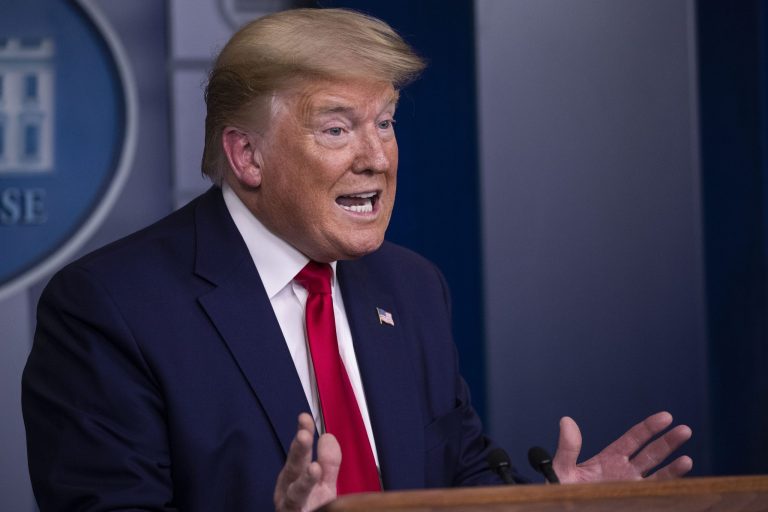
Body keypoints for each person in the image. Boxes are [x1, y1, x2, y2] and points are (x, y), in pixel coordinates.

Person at [22, 8, 693, 512]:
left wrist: (548, 505)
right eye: (337, 128)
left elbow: (458, 479)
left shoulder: (411, 286)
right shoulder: (110, 308)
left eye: (386, 122)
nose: (376, 156)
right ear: (247, 156)